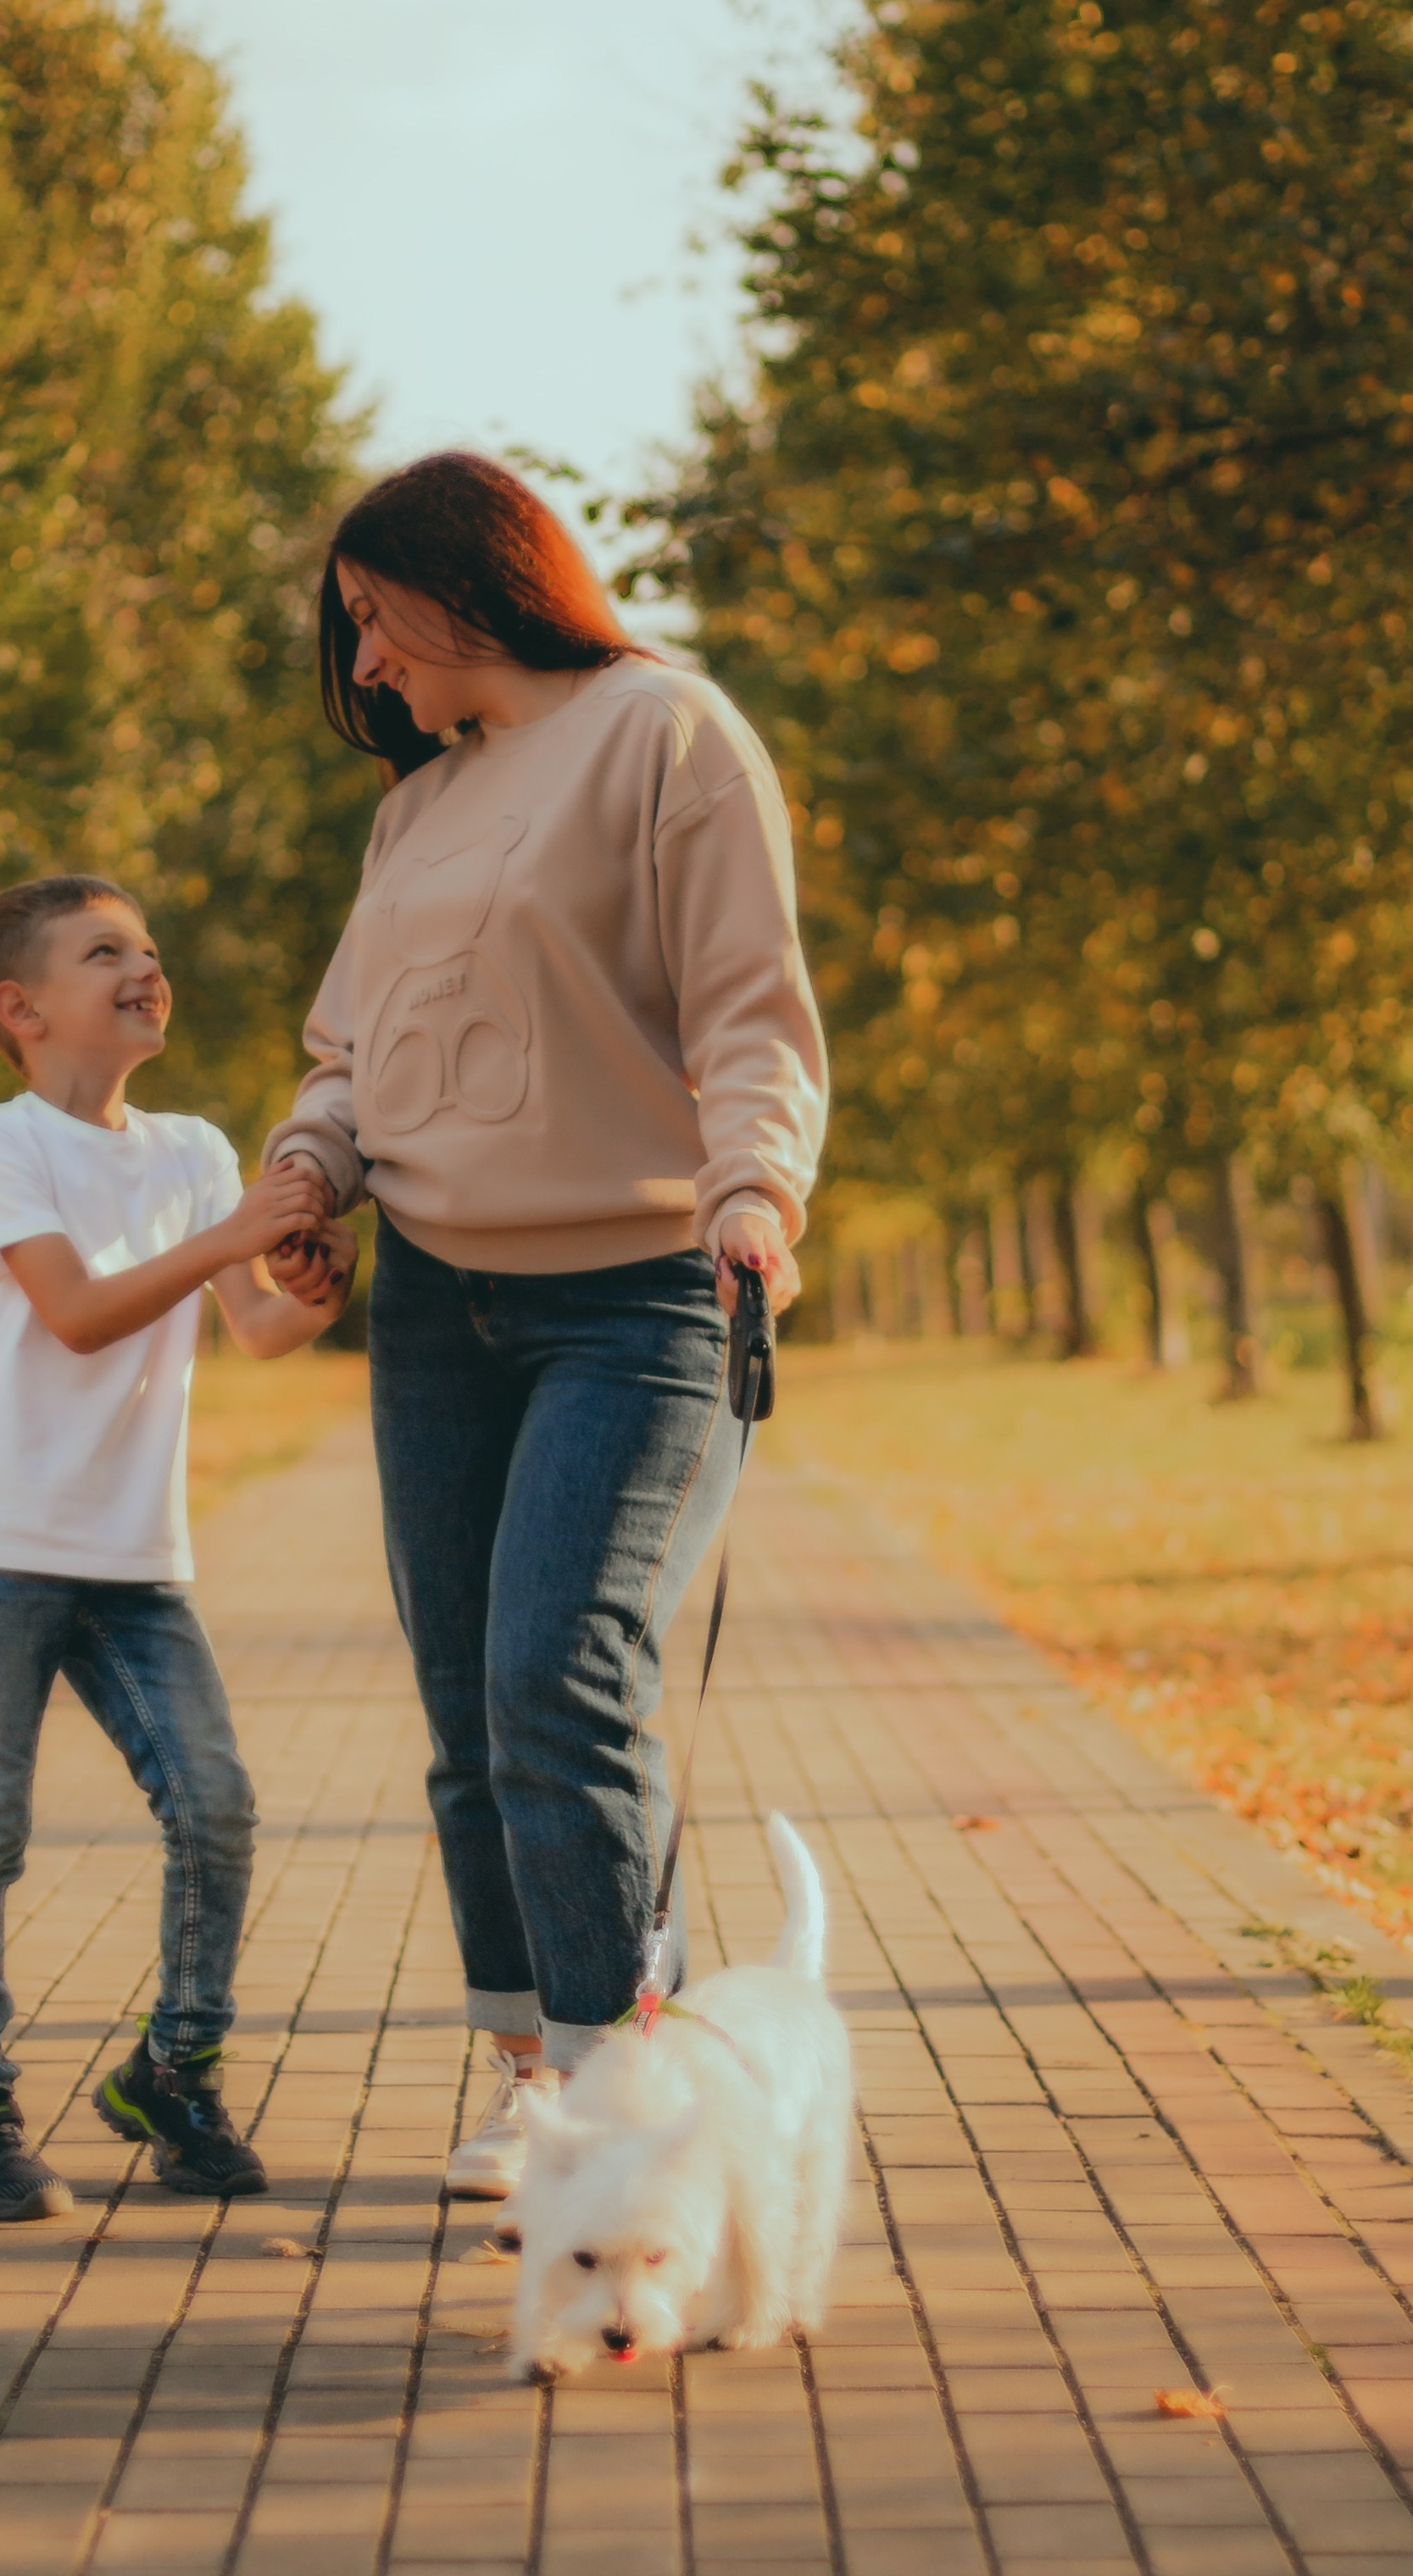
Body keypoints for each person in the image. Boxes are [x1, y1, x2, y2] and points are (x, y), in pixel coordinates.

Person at [266, 452, 826, 2199]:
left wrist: (757, 1188)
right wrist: (306, 1164)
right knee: (467, 1714)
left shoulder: (671, 734)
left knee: (557, 1680)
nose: (366, 664)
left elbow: (750, 1008)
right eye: (353, 632)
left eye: (376, 618)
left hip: (643, 1292)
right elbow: (354, 1053)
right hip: (438, 1298)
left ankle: (620, 2100)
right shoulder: (417, 807)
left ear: (469, 581)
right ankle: (535, 2078)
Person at [0, 872, 354, 2224]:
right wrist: (234, 1234)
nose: (144, 966)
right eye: (105, 951)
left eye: (150, 947)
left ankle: (175, 2074)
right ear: (23, 1008)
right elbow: (79, 1314)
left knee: (214, 1804)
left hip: (135, 1559)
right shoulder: (0, 1144)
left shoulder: (195, 1149)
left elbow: (257, 1327)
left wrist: (315, 1291)